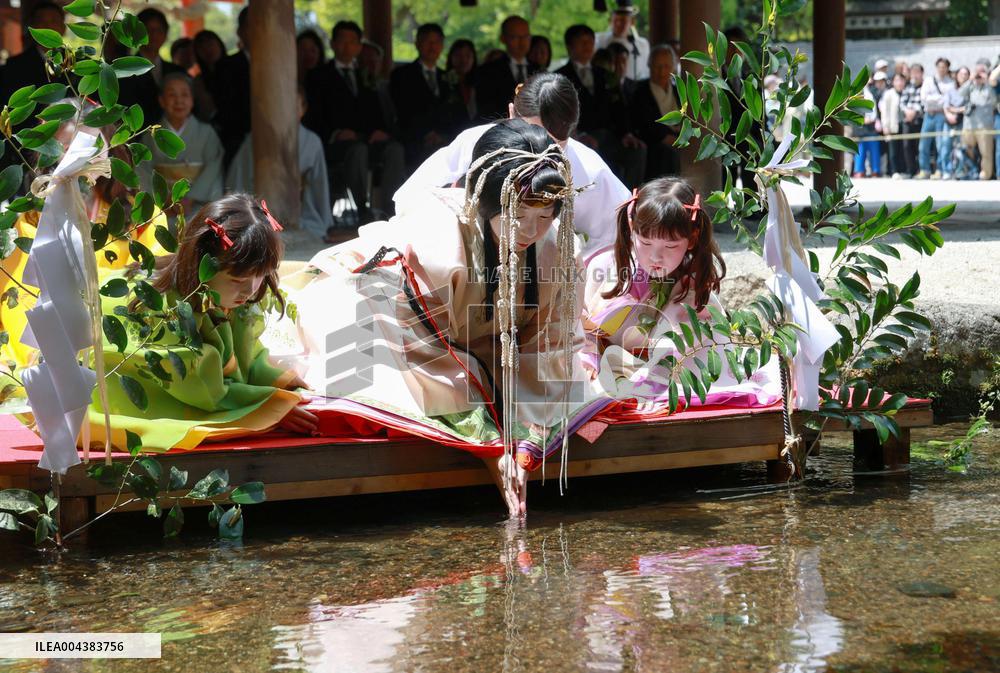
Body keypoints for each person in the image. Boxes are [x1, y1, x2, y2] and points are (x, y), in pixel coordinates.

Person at [283, 120, 608, 518]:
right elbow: (427, 349)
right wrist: (493, 450)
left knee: (580, 407)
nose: (531, 231)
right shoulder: (439, 236)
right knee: (372, 382)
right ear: (485, 201)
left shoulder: (556, 247)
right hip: (384, 313)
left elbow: (553, 342)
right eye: (518, 216)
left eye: (545, 217)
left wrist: (526, 438)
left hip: (478, 343)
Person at [87, 194, 316, 452]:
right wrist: (270, 406)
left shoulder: (223, 296)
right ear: (200, 265)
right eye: (238, 280)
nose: (251, 290)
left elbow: (246, 355)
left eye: (261, 277)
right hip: (110, 394)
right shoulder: (162, 308)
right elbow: (199, 385)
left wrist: (280, 381)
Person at [581, 177, 779, 409]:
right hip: (607, 364)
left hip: (671, 368)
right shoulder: (603, 266)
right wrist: (588, 357)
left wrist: (644, 377)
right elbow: (578, 324)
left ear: (692, 239)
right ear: (631, 228)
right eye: (645, 242)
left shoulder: (693, 286)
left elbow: (679, 346)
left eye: (671, 246)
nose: (656, 257)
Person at [393, 72, 630, 256]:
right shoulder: (474, 142)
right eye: (529, 133)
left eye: (555, 144)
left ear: (573, 130)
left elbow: (617, 235)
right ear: (510, 114)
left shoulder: (589, 169)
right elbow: (410, 198)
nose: (540, 150)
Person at [304, 20, 405, 222]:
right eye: (342, 40)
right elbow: (313, 115)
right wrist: (336, 133)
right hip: (336, 142)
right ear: (332, 44)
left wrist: (380, 131)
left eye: (352, 42)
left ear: (359, 46)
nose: (347, 46)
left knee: (394, 149)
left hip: (367, 138)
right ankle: (362, 209)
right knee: (358, 150)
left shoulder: (365, 75)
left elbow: (377, 112)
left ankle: (391, 209)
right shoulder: (318, 76)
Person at [227, 87, 333, 236]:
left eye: (293, 105)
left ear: (303, 109)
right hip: (258, 208)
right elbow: (240, 176)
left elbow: (318, 185)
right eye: (282, 105)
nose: (287, 110)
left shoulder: (312, 141)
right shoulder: (254, 139)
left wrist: (324, 219)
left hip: (300, 212)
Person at [556, 24, 646, 189]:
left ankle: (630, 200)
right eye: (581, 42)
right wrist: (578, 134)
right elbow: (559, 112)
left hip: (609, 136)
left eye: (590, 41)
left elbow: (619, 107)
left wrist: (626, 133)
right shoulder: (559, 76)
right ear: (569, 46)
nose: (587, 46)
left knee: (637, 152)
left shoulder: (605, 74)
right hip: (579, 138)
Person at [140, 73, 224, 215]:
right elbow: (143, 170)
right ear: (161, 101)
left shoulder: (207, 133)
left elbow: (213, 168)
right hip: (162, 208)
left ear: (192, 100)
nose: (179, 101)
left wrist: (190, 199)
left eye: (185, 95)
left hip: (197, 208)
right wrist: (165, 198)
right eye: (172, 95)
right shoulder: (150, 137)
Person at [390, 23, 463, 168]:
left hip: (445, 138)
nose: (432, 47)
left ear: (442, 46)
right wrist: (426, 133)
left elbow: (456, 111)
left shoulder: (447, 77)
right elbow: (403, 109)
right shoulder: (402, 74)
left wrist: (444, 135)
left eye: (436, 42)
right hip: (415, 139)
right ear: (417, 44)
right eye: (427, 42)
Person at [119, 8, 187, 126]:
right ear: (135, 34)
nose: (154, 34)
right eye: (148, 30)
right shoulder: (122, 71)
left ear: (165, 35)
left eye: (159, 30)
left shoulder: (177, 71)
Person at [628, 45, 681, 181]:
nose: (662, 71)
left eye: (666, 66)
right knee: (667, 153)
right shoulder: (641, 92)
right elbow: (646, 125)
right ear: (649, 66)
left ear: (673, 67)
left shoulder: (679, 90)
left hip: (680, 138)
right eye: (657, 66)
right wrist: (669, 139)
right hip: (655, 142)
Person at [475, 16, 539, 122]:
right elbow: (486, 109)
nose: (521, 42)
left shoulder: (539, 70)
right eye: (515, 37)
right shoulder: (488, 71)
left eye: (526, 37)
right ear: (503, 38)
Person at [0, 1, 65, 104]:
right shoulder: (13, 67)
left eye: (53, 21)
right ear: (32, 29)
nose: (47, 27)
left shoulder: (80, 64)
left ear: (63, 28)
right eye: (41, 21)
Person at [214, 8, 252, 165]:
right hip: (237, 140)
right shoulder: (226, 65)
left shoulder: (279, 64)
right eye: (252, 25)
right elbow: (225, 106)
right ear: (240, 31)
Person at [917, 57, 955, 179]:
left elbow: (947, 101)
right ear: (936, 67)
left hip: (941, 115)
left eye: (944, 67)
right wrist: (938, 98)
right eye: (939, 67)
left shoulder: (950, 83)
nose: (941, 69)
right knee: (923, 144)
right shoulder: (928, 80)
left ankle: (939, 170)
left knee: (940, 144)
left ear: (947, 68)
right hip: (928, 115)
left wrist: (933, 98)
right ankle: (924, 169)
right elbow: (923, 97)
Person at [959, 60, 996, 180]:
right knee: (966, 149)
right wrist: (970, 79)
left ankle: (985, 174)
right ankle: (970, 170)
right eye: (977, 72)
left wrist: (987, 82)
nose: (979, 75)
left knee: (986, 153)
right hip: (968, 125)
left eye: (982, 72)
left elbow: (994, 101)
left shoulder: (989, 88)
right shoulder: (970, 87)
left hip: (985, 125)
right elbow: (959, 94)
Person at [596, 0, 650, 82]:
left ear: (632, 22)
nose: (618, 24)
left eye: (623, 21)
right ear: (610, 21)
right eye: (616, 20)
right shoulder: (599, 40)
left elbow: (646, 72)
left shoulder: (642, 44)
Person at [192, 30, 227, 122]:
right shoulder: (199, 81)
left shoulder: (235, 69)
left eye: (210, 44)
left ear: (219, 44)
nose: (207, 49)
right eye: (202, 47)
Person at [853, 73, 882, 177]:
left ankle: (876, 170)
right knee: (860, 150)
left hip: (872, 126)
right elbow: (853, 108)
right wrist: (862, 119)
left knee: (874, 148)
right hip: (861, 126)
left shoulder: (873, 91)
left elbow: (878, 106)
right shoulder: (857, 92)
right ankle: (859, 170)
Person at [880, 73, 907, 178]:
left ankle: (903, 170)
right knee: (893, 149)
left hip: (904, 125)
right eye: (897, 80)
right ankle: (893, 171)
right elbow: (884, 111)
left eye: (901, 80)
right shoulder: (888, 94)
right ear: (893, 82)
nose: (899, 83)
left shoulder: (906, 92)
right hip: (892, 125)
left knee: (903, 148)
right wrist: (885, 126)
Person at [446, 39, 478, 125]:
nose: (463, 60)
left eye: (468, 56)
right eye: (458, 55)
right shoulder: (444, 82)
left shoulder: (480, 84)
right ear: (451, 57)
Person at [900, 63, 924, 179]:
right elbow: (902, 103)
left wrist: (914, 112)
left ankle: (920, 170)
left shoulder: (925, 86)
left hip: (919, 119)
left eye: (917, 72)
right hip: (907, 119)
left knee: (919, 146)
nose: (915, 75)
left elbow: (924, 103)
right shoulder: (908, 87)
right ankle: (910, 170)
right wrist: (907, 112)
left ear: (922, 73)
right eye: (913, 72)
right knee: (906, 146)